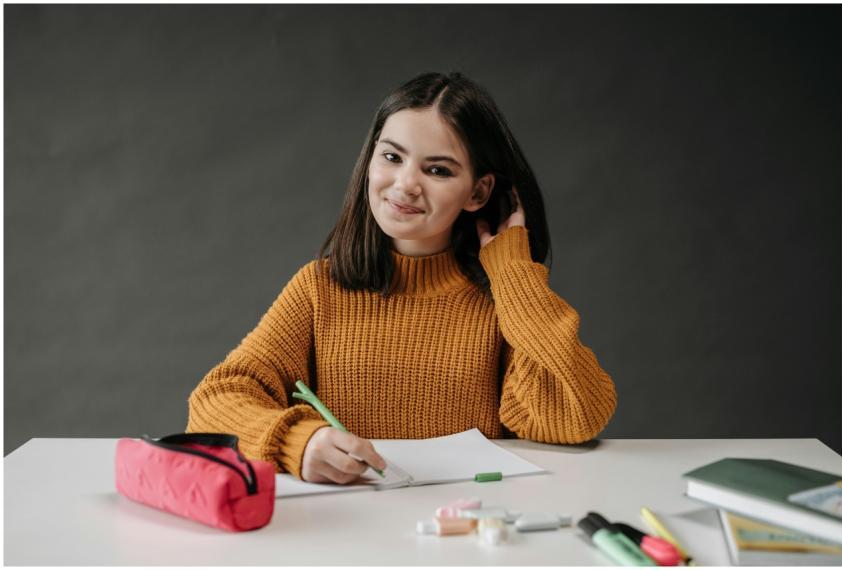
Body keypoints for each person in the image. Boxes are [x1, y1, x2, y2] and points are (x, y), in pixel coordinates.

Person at [187, 71, 617, 484]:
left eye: (438, 170)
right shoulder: (320, 288)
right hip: (347, 532)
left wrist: (515, 279)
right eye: (392, 157)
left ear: (478, 193)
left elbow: (576, 416)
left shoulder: (504, 300)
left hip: (467, 533)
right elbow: (213, 403)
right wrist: (298, 441)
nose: (406, 184)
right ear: (370, 160)